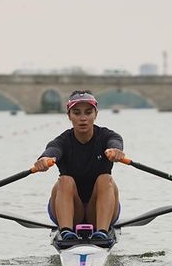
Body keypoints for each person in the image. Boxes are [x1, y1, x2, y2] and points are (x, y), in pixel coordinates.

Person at [33, 90, 125, 241]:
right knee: (64, 180)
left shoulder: (107, 136)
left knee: (105, 179)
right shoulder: (61, 141)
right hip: (69, 210)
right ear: (69, 116)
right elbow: (52, 150)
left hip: (100, 210)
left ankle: (102, 233)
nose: (83, 118)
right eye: (77, 113)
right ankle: (67, 232)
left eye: (88, 112)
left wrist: (116, 150)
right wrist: (44, 158)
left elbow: (116, 142)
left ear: (95, 114)